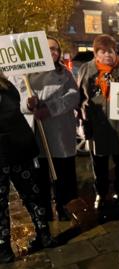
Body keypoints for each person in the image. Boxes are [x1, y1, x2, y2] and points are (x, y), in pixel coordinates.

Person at [11, 37, 80, 221]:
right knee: (39, 176)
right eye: (49, 49)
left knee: (64, 173)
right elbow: (16, 100)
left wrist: (50, 109)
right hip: (36, 133)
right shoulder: (23, 74)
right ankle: (44, 214)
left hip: (59, 133)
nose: (54, 52)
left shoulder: (64, 73)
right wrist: (28, 104)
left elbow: (73, 96)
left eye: (56, 49)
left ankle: (66, 209)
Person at [0, 73, 55, 263]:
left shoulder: (7, 85)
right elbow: (17, 108)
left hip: (9, 151)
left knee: (6, 202)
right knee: (31, 195)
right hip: (18, 148)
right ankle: (44, 234)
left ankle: (4, 248)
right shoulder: (7, 85)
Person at [77, 34, 119, 220]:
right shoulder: (87, 69)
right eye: (102, 51)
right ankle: (101, 193)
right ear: (96, 53)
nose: (107, 55)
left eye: (110, 50)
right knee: (99, 164)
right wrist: (82, 116)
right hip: (97, 124)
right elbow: (79, 96)